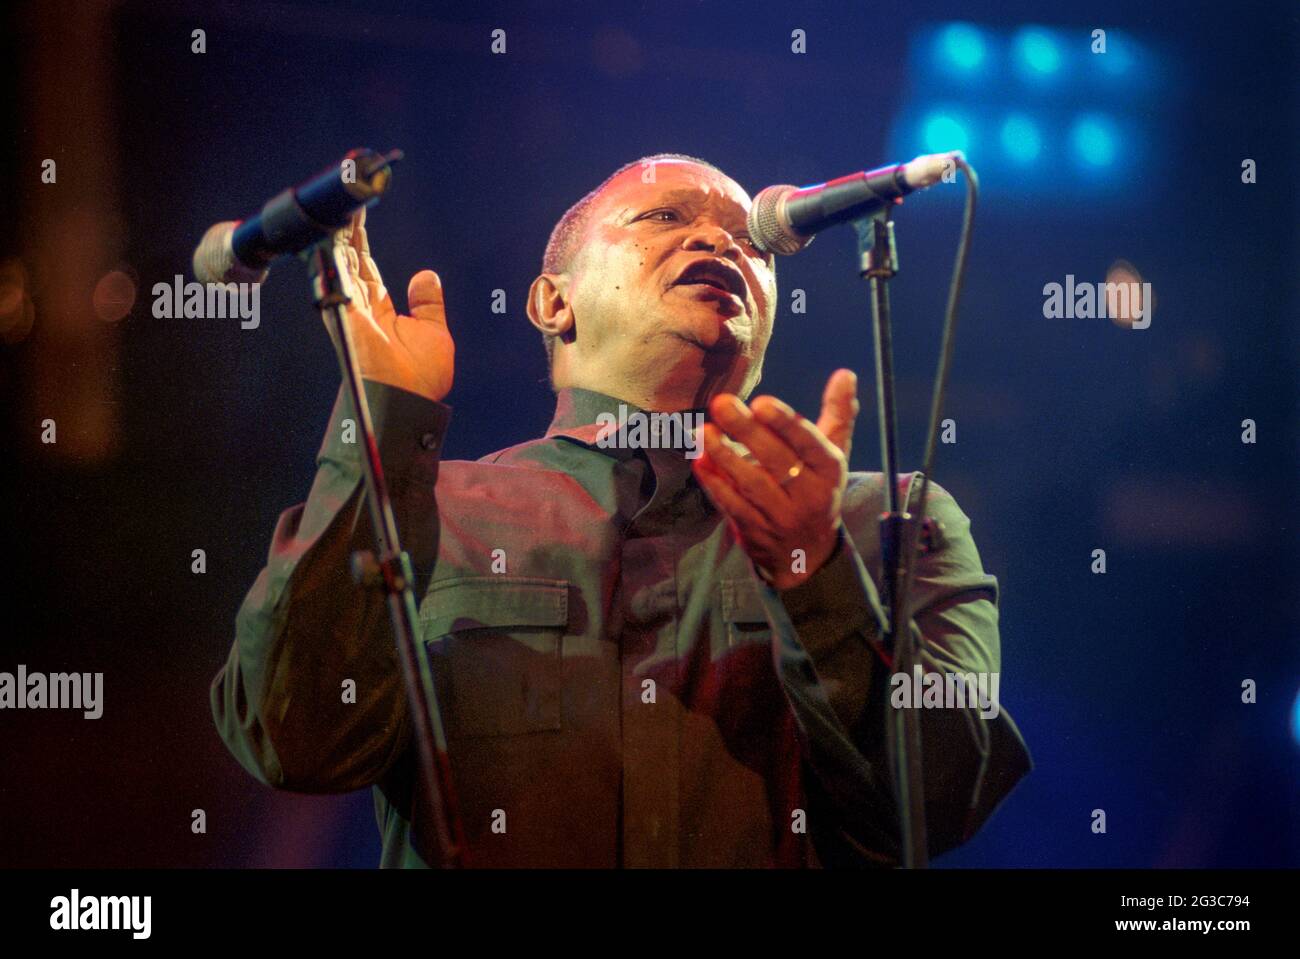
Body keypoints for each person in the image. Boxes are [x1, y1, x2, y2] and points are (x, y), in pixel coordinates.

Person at [210, 153, 1032, 867]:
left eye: (751, 239)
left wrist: (814, 572)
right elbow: (296, 740)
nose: (719, 240)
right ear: (551, 303)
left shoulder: (884, 519)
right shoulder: (436, 511)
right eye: (666, 216)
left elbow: (943, 804)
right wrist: (381, 417)